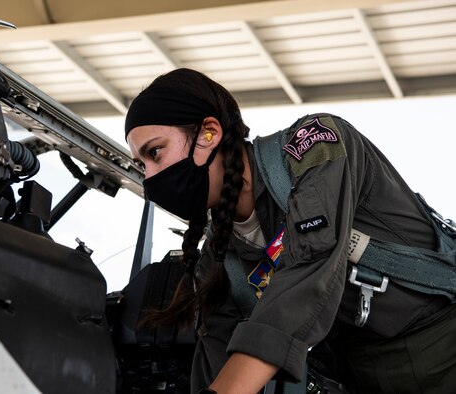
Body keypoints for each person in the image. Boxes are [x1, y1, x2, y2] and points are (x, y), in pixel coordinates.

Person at [124, 68, 456, 394]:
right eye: (142, 165)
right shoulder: (219, 257)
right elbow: (218, 358)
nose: (150, 177)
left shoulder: (315, 146)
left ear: (209, 132)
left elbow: (310, 267)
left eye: (155, 152)